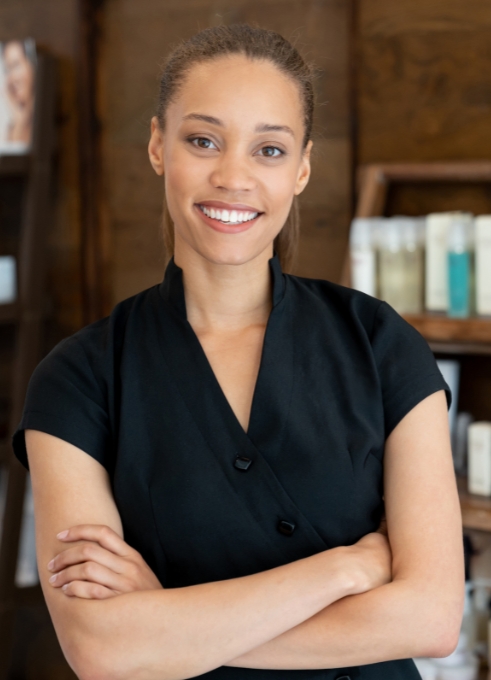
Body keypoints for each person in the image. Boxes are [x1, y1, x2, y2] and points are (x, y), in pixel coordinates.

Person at [15, 25, 463, 679]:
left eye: (269, 150)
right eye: (202, 140)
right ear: (156, 147)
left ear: (302, 168)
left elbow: (430, 619)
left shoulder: (379, 344)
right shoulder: (78, 380)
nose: (233, 176)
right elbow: (100, 649)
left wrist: (162, 620)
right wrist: (346, 569)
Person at [2, 40, 35, 148]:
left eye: (16, 65)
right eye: (8, 70)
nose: (12, 78)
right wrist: (19, 120)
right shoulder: (13, 126)